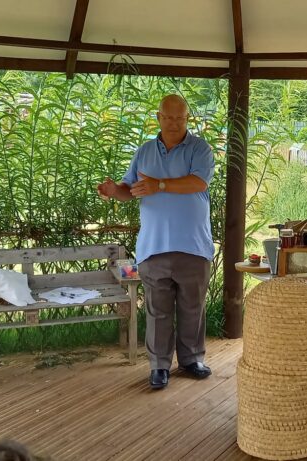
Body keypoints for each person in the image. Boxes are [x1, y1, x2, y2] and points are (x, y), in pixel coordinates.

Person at [96, 94, 215, 390]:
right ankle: (159, 365)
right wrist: (114, 191)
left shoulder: (200, 148)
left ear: (188, 119)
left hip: (194, 246)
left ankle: (191, 359)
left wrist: (159, 184)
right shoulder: (144, 151)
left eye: (180, 117)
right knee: (158, 310)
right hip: (154, 247)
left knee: (193, 307)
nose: (174, 123)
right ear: (158, 117)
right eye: (168, 117)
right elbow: (130, 190)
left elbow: (198, 182)